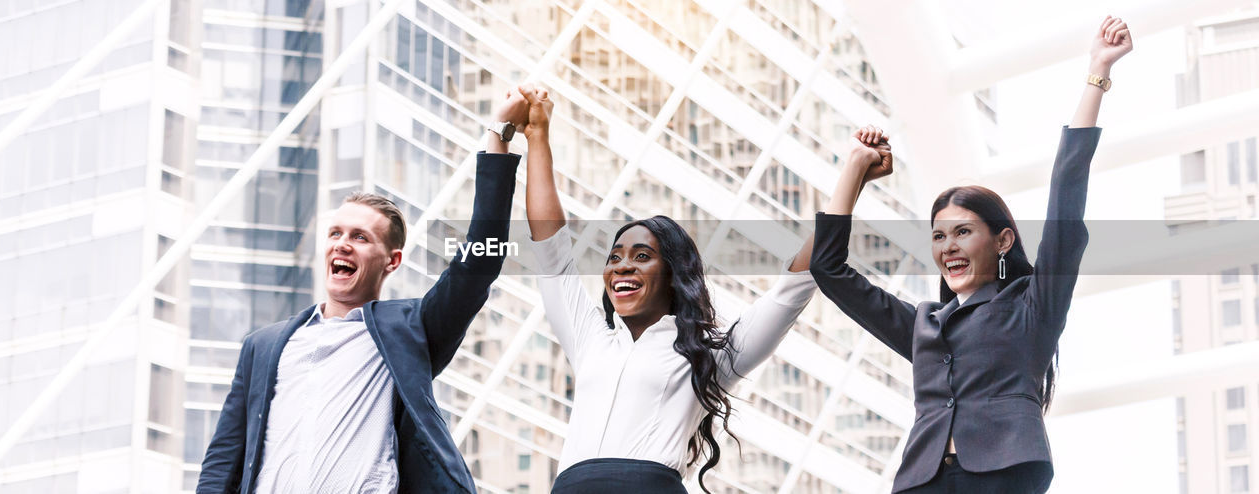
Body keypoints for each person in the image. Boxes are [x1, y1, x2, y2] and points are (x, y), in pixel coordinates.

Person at [808, 16, 1133, 494]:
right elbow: (828, 270)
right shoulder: (923, 325)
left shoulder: (1032, 306)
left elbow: (1066, 197)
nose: (949, 248)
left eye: (963, 232)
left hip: (1003, 475)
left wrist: (1097, 74)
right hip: (921, 480)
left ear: (1002, 241)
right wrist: (854, 171)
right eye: (939, 237)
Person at [195, 90, 529, 494]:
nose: (342, 244)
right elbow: (222, 462)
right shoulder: (262, 346)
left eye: (360, 237)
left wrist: (499, 135)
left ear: (391, 261)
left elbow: (479, 263)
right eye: (335, 233)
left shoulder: (411, 329)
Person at [516, 84, 819, 493]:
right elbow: (551, 250)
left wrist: (852, 179)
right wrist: (537, 135)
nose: (622, 265)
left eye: (642, 256)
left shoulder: (707, 357)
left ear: (674, 274)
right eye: (615, 256)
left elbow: (790, 292)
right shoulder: (591, 340)